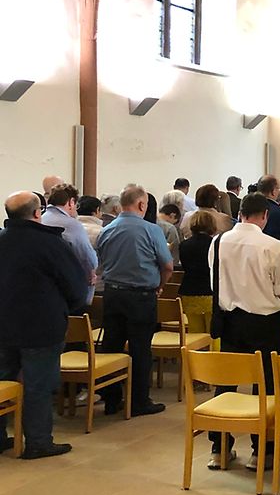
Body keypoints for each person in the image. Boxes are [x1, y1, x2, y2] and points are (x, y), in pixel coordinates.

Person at [0, 191, 88, 458]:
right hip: (41, 326)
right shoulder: (50, 243)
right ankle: (38, 441)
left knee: (2, 381)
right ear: (38, 213)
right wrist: (66, 308)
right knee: (38, 384)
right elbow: (76, 285)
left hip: (3, 326)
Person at [209, 191, 280, 470]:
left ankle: (219, 449)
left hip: (229, 319)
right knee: (265, 386)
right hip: (264, 322)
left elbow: (215, 282)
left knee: (226, 383)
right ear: (265, 215)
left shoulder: (218, 241)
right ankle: (262, 452)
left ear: (240, 213)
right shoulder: (272, 245)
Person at [96, 185, 174, 418]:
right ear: (141, 205)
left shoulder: (106, 230)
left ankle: (111, 400)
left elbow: (101, 262)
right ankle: (139, 401)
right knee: (140, 348)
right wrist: (160, 285)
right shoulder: (151, 230)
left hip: (112, 294)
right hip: (141, 296)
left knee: (112, 346)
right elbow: (167, 265)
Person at [41, 183, 98, 302]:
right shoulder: (71, 225)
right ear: (71, 202)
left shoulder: (40, 219)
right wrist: (91, 272)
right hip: (67, 284)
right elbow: (86, 256)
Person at [178, 210, 219, 344]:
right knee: (213, 333)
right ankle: (212, 355)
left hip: (189, 291)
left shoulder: (184, 245)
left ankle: (194, 354)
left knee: (194, 334)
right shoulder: (215, 244)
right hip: (210, 291)